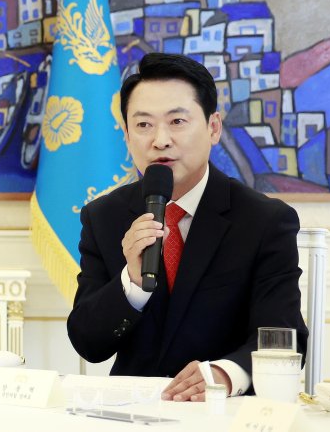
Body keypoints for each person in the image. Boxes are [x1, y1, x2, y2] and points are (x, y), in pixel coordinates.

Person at [66, 53, 307, 401]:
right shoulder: (103, 216)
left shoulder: (264, 220)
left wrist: (225, 374)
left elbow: (284, 337)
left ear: (213, 128)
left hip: (223, 411)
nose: (160, 140)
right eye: (143, 125)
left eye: (177, 121)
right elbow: (88, 343)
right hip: (132, 411)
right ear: (127, 137)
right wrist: (132, 283)